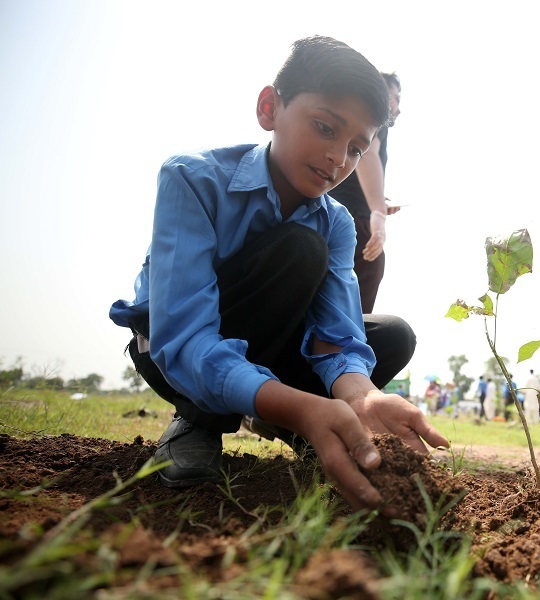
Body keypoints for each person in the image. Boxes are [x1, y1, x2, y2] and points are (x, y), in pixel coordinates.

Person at [109, 36, 448, 513]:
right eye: (325, 128)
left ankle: (308, 419)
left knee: (392, 335)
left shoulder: (337, 222)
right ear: (270, 108)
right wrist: (300, 403)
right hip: (174, 350)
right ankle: (200, 422)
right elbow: (183, 337)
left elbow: (337, 337)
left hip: (270, 344)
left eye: (356, 148)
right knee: (299, 250)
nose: (338, 158)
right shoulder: (193, 179)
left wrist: (363, 397)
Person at [327, 72, 402, 314]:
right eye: (395, 98)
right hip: (351, 221)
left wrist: (378, 202)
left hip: (338, 214)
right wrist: (378, 214)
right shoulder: (375, 118)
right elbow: (367, 154)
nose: (398, 109)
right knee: (368, 268)